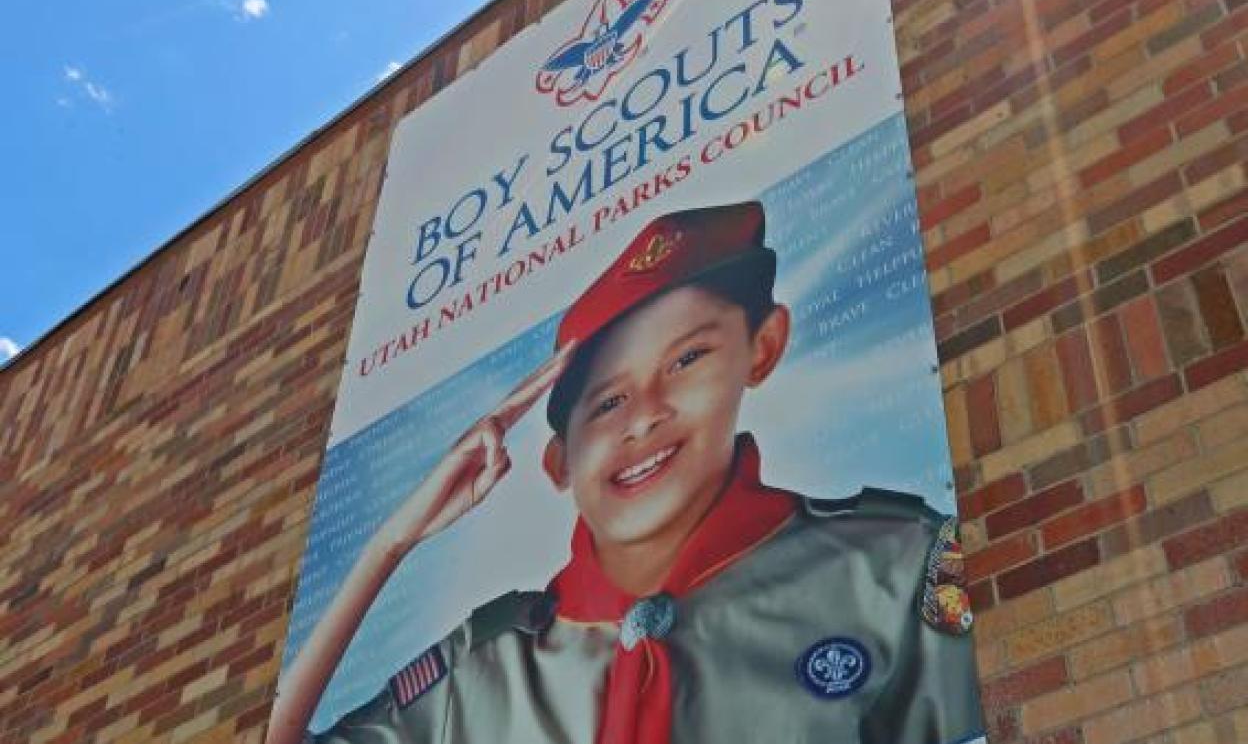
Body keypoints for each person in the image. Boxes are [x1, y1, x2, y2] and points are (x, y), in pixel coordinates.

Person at [266, 201, 986, 744]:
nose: (643, 416)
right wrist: (390, 543)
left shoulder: (890, 566)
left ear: (763, 349)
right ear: (558, 463)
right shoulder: (484, 670)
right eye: (606, 402)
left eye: (687, 360)